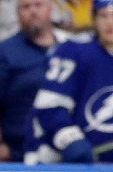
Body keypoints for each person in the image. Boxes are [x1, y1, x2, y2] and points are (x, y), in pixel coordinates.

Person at [25, 0, 113, 163]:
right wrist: (68, 138)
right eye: (103, 16)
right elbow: (48, 106)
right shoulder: (73, 50)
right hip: (63, 163)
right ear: (94, 19)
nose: (110, 23)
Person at [0, 0, 65, 160]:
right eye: (25, 7)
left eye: (38, 5)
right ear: (17, 14)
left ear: (50, 10)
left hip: (61, 140)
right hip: (17, 143)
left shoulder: (68, 48)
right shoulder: (4, 51)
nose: (33, 12)